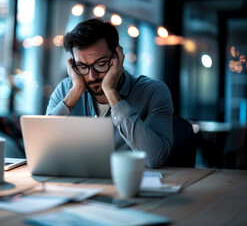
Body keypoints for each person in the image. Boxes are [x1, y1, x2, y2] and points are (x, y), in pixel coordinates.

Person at [46, 18, 173, 168]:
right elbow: (42, 151)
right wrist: (75, 92)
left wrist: (112, 93)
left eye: (100, 64)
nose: (92, 76)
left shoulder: (153, 91)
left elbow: (154, 158)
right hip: (78, 185)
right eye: (82, 66)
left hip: (128, 185)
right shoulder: (66, 90)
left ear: (117, 56)